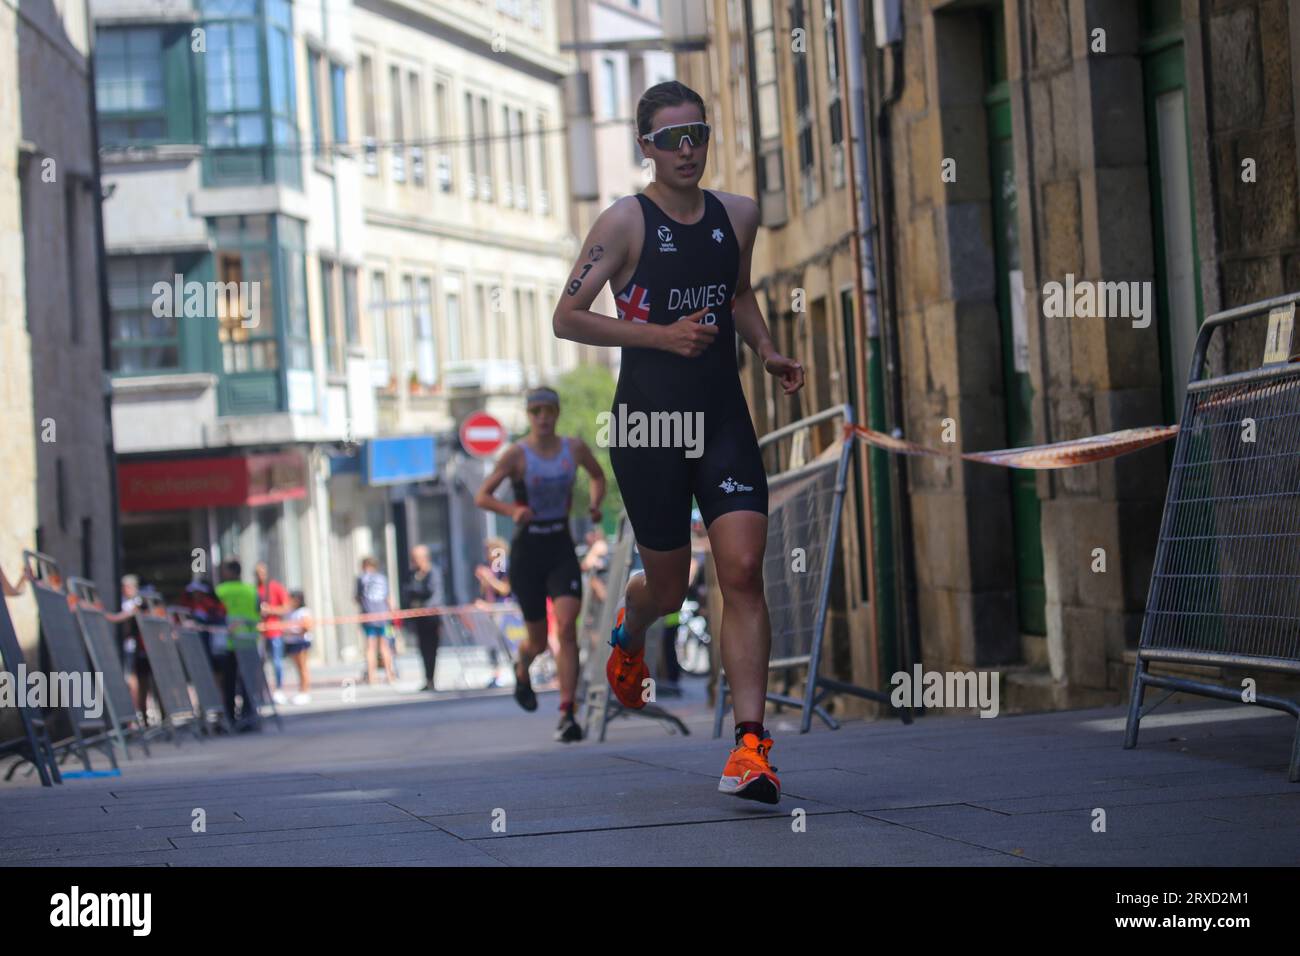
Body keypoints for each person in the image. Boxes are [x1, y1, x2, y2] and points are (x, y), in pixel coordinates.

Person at [551, 80, 805, 802]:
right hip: (650, 427)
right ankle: (632, 630)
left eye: (697, 134)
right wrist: (658, 336)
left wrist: (766, 350)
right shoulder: (624, 223)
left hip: (721, 417)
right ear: (646, 148)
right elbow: (567, 317)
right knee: (668, 585)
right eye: (671, 139)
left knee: (744, 569)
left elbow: (737, 293)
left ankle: (751, 747)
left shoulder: (740, 215)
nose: (687, 150)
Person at [474, 386, 606, 743]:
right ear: (529, 416)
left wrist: (595, 505)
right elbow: (482, 495)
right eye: (536, 412)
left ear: (557, 413)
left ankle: (567, 713)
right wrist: (512, 510)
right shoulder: (516, 455)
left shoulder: (573, 448)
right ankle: (523, 666)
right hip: (528, 552)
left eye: (549, 410)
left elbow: (597, 475)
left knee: (565, 628)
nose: (543, 418)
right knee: (537, 641)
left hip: (560, 546)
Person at [215, 559, 262, 729]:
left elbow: (214, 613)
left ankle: (230, 717)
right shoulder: (251, 590)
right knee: (248, 681)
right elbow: (258, 612)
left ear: (230, 573)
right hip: (249, 642)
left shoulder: (220, 591)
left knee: (229, 683)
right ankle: (249, 715)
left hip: (228, 645)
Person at [104, 574, 151, 719]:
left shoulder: (138, 602)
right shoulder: (128, 601)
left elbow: (119, 617)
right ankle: (140, 713)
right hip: (132, 647)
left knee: (135, 679)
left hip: (136, 647)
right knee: (136, 680)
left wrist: (102, 613)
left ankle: (138, 712)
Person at [402, 545, 445, 691]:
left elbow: (434, 594)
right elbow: (407, 591)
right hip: (418, 617)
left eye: (416, 558)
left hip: (431, 617)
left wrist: (420, 600)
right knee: (423, 649)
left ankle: (432, 679)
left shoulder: (433, 572)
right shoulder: (413, 574)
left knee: (432, 649)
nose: (414, 561)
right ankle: (427, 679)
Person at [474, 538, 512, 688]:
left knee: (507, 643)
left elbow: (504, 589)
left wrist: (488, 578)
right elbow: (486, 591)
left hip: (505, 610)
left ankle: (516, 670)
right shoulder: (489, 567)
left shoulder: (503, 566)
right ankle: (496, 673)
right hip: (490, 610)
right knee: (492, 643)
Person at [355, 556, 397, 685]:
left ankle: (372, 677)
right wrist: (393, 613)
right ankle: (390, 675)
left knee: (370, 647)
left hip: (369, 616)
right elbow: (389, 598)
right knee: (385, 647)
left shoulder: (361, 579)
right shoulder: (382, 578)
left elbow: (357, 598)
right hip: (384, 617)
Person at [255, 561, 292, 705]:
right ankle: (261, 692)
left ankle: (279, 689)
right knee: (259, 664)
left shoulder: (275, 587)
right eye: (258, 574)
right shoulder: (255, 590)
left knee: (277, 662)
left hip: (275, 631)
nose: (260, 576)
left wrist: (270, 610)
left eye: (262, 573)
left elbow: (285, 607)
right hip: (260, 632)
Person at [281, 590, 312, 705]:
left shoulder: (303, 611)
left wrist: (291, 632)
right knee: (298, 668)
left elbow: (306, 627)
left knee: (302, 667)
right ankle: (301, 690)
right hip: (292, 642)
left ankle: (305, 691)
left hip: (301, 642)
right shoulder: (290, 611)